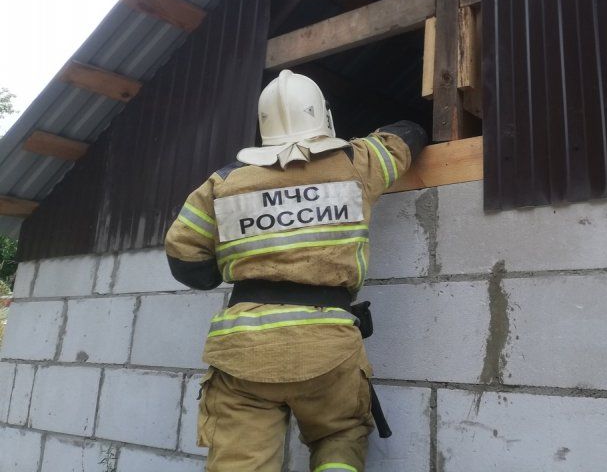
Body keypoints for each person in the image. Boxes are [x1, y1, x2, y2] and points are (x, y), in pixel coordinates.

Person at [165, 69, 427, 472]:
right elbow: (405, 135)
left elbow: (185, 258)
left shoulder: (223, 181)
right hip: (329, 345)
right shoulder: (356, 163)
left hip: (243, 351)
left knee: (240, 462)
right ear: (323, 116)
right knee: (338, 435)